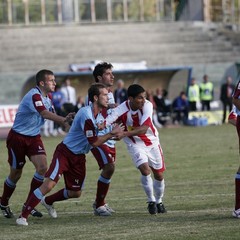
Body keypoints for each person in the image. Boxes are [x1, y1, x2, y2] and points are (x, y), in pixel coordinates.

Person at [16, 83, 124, 226]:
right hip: (65, 153)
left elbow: (99, 130)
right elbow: (94, 143)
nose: (107, 98)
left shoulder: (97, 116)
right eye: (104, 95)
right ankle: (23, 217)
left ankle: (47, 201)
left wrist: (113, 131)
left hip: (79, 157)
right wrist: (111, 133)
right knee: (49, 184)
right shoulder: (87, 115)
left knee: (75, 193)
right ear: (96, 97)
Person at [0, 69, 73, 219]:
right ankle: (3, 202)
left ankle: (29, 204)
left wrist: (71, 124)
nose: (54, 82)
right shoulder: (34, 95)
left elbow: (52, 115)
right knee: (16, 174)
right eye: (51, 80)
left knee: (42, 168)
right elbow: (45, 114)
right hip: (18, 138)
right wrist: (64, 119)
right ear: (42, 83)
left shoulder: (48, 97)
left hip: (33, 137)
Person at [104, 84, 166, 215]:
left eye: (144, 97)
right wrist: (100, 124)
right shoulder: (121, 109)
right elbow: (106, 122)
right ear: (130, 99)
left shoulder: (147, 105)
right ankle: (151, 201)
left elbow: (144, 129)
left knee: (159, 175)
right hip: (134, 144)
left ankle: (159, 200)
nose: (143, 101)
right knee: (145, 169)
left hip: (152, 142)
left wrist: (123, 134)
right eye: (140, 98)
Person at [86, 62, 118, 216]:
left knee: (109, 170)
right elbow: (96, 114)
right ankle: (99, 205)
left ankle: (100, 202)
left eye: (112, 73)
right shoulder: (94, 93)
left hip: (109, 137)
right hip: (98, 137)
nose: (112, 76)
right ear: (99, 77)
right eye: (108, 73)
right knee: (109, 167)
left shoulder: (109, 92)